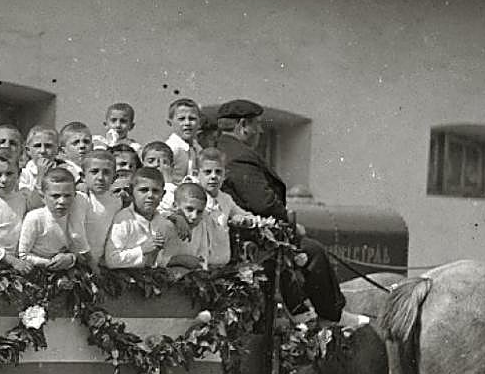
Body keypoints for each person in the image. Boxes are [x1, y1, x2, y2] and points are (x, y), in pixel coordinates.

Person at [215, 98, 366, 327]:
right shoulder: (239, 156)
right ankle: (331, 315)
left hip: (247, 231)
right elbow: (263, 203)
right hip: (251, 235)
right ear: (243, 125)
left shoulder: (226, 150)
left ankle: (301, 310)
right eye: (257, 124)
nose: (261, 130)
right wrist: (291, 224)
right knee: (313, 251)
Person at [195, 147, 259, 268]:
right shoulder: (194, 197)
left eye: (218, 172)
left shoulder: (225, 199)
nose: (213, 177)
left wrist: (243, 219)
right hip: (199, 265)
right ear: (197, 174)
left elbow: (247, 216)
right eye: (207, 172)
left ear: (225, 175)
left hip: (221, 264)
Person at [19, 167, 88, 269]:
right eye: (55, 196)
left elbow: (77, 249)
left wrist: (71, 258)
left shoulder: (74, 216)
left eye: (67, 196)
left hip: (66, 268)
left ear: (74, 195)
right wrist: (50, 263)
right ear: (43, 197)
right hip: (37, 269)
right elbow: (23, 255)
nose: (62, 201)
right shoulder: (35, 218)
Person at [103, 167, 166, 269]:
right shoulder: (123, 219)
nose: (150, 195)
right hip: (124, 277)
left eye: (155, 191)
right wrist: (142, 250)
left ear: (163, 195)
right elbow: (111, 260)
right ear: (132, 192)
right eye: (143, 190)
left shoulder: (162, 221)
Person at [73, 149, 123, 265]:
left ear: (114, 177)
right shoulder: (80, 198)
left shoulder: (117, 201)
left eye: (106, 172)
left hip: (99, 262)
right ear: (83, 176)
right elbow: (76, 233)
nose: (100, 177)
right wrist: (89, 259)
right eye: (94, 172)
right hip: (77, 259)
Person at [153, 183, 209, 270]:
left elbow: (203, 252)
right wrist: (179, 260)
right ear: (175, 206)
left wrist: (201, 265)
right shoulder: (165, 225)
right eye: (189, 209)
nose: (194, 216)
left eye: (199, 212)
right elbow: (152, 260)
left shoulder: (201, 225)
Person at [165, 97, 203, 183]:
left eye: (192, 119)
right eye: (181, 119)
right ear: (170, 122)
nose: (187, 123)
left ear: (200, 123)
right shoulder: (171, 149)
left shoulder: (198, 148)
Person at [18, 125, 60, 193]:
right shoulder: (23, 175)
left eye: (48, 146)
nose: (43, 151)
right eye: (37, 146)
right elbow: (31, 202)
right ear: (28, 150)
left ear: (57, 150)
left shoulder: (67, 169)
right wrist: (41, 175)